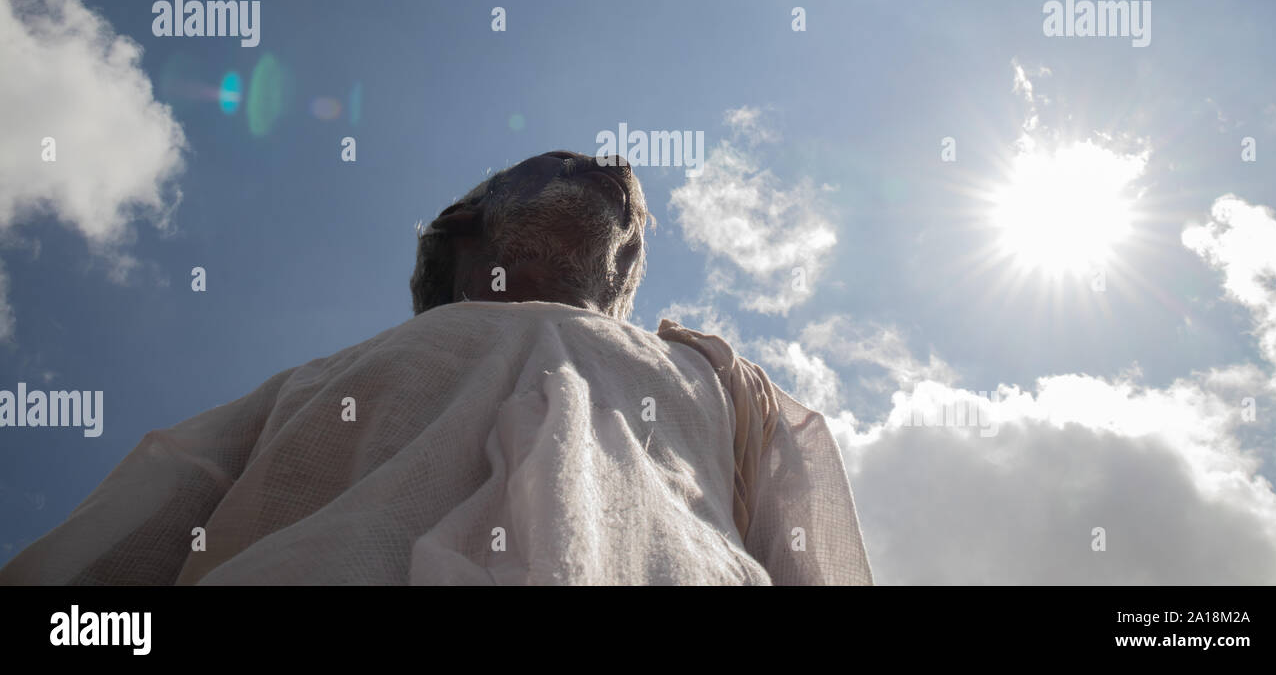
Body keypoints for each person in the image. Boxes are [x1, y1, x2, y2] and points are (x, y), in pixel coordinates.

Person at [0, 152, 872, 585]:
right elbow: (107, 563)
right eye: (560, 166)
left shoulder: (726, 388)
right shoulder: (308, 390)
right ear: (466, 227)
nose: (616, 170)